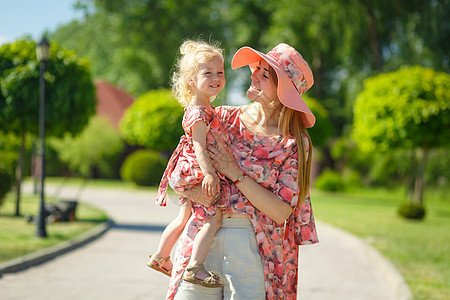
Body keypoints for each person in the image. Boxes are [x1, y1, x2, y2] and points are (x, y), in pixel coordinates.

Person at [167, 43, 319, 300]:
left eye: (264, 74)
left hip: (255, 250)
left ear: (283, 90)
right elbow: (178, 175)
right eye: (255, 70)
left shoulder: (294, 143)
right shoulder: (222, 117)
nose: (253, 76)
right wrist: (206, 196)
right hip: (202, 241)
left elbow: (281, 211)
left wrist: (233, 171)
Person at [148, 39, 227, 288]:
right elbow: (200, 147)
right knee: (213, 218)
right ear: (191, 80)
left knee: (183, 217)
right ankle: (195, 267)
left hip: (183, 171)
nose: (216, 77)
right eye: (208, 73)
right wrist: (210, 175)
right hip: (194, 172)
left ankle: (161, 256)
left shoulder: (199, 107)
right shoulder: (201, 113)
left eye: (220, 72)